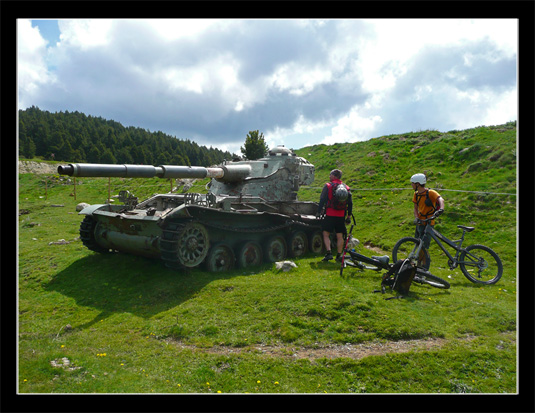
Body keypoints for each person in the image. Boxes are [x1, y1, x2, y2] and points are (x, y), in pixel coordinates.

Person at [410, 173, 445, 270]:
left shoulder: (430, 193)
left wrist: (441, 209)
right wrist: (416, 217)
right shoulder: (416, 194)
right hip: (420, 222)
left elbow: (440, 199)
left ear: (418, 184)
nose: (411, 185)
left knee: (424, 246)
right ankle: (420, 266)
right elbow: (415, 208)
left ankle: (425, 268)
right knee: (418, 244)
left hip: (429, 223)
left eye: (413, 183)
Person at [317, 169, 353, 262]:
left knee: (326, 234)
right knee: (339, 236)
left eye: (330, 175)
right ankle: (338, 255)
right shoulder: (346, 187)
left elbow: (322, 200)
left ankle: (329, 253)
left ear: (334, 176)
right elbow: (350, 203)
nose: (329, 176)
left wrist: (319, 211)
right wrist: (348, 216)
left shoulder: (328, 186)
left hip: (330, 213)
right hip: (341, 215)